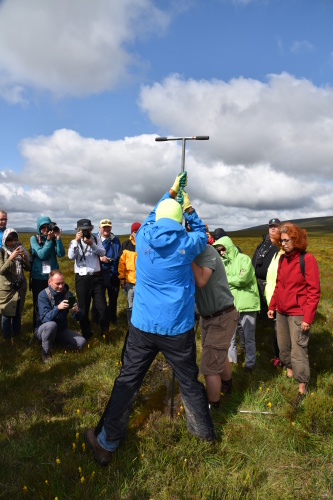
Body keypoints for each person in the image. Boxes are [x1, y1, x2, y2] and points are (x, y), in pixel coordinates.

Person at [85, 173, 216, 466]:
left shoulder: (142, 235)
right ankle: (204, 439)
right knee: (189, 383)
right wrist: (189, 208)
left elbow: (151, 214)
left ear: (157, 218)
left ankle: (107, 442)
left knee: (128, 381)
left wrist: (170, 190)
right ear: (179, 220)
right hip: (178, 328)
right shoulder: (189, 243)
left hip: (142, 326)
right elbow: (200, 231)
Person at [268, 223, 320, 403]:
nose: (283, 244)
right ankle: (289, 374)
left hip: (298, 314)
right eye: (281, 241)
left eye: (287, 240)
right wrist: (272, 306)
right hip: (281, 312)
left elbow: (314, 292)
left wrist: (308, 318)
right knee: (283, 347)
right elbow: (278, 285)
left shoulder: (308, 260)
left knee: (298, 350)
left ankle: (301, 387)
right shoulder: (283, 259)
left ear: (296, 240)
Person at [191, 242, 239, 408]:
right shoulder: (196, 253)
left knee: (209, 365)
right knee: (218, 354)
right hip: (208, 317)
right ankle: (227, 385)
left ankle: (214, 407)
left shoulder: (206, 251)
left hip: (222, 317)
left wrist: (187, 259)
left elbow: (201, 280)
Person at [213, 236, 260, 371]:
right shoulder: (222, 263)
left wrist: (228, 280)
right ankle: (232, 362)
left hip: (247, 304)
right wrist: (233, 279)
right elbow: (220, 282)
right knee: (230, 337)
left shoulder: (244, 259)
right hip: (231, 306)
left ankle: (249, 364)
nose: (221, 253)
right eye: (219, 251)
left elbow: (243, 279)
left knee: (248, 336)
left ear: (229, 247)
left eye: (223, 249)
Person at [68, 219, 109, 340]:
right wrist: (76, 241)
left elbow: (102, 252)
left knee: (102, 305)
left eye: (88, 229)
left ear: (91, 230)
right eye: (83, 230)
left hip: (96, 277)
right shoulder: (73, 242)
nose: (87, 232)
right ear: (78, 231)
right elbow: (70, 256)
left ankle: (105, 329)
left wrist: (92, 244)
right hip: (82, 278)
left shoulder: (96, 240)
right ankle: (86, 332)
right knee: (83, 307)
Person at [34, 270, 86, 362]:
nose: (61, 286)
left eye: (62, 283)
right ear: (49, 282)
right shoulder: (43, 295)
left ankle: (56, 343)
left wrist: (77, 311)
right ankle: (46, 353)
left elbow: (78, 318)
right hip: (42, 329)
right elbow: (44, 319)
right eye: (57, 284)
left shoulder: (68, 295)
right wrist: (58, 308)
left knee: (82, 343)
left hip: (61, 330)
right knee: (51, 325)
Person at [30, 216, 65, 329]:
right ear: (38, 228)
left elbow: (60, 254)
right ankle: (37, 328)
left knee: (54, 302)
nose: (46, 230)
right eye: (42, 227)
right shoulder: (34, 239)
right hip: (39, 277)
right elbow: (41, 255)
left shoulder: (54, 238)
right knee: (38, 303)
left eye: (48, 226)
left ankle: (54, 326)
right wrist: (49, 240)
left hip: (53, 279)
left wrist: (58, 238)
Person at [0, 229, 30, 340]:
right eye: (9, 240)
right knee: (6, 314)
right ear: (5, 240)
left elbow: (28, 268)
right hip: (7, 288)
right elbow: (1, 270)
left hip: (20, 286)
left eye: (15, 239)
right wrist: (11, 258)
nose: (13, 243)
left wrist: (24, 258)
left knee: (18, 312)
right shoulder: (1, 252)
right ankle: (6, 338)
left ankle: (17, 336)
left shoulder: (21, 249)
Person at [92, 219, 121, 326]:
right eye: (104, 227)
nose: (106, 229)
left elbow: (119, 256)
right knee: (98, 298)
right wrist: (100, 258)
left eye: (108, 227)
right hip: (99, 274)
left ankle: (112, 318)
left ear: (111, 228)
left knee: (113, 298)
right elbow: (90, 255)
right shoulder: (94, 239)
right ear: (99, 228)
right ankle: (96, 318)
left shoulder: (115, 240)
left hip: (113, 273)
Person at [252, 218, 280, 316]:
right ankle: (264, 324)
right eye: (271, 227)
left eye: (275, 227)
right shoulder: (263, 242)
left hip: (271, 282)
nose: (273, 229)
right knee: (261, 305)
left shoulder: (281, 244)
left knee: (272, 304)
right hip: (258, 280)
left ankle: (275, 323)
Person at [118, 222, 141, 325]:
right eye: (135, 232)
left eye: (139, 232)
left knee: (142, 305)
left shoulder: (145, 245)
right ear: (132, 233)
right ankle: (130, 325)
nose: (137, 234)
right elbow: (121, 264)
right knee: (130, 305)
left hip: (142, 282)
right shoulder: (126, 245)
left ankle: (140, 325)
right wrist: (122, 278)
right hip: (129, 282)